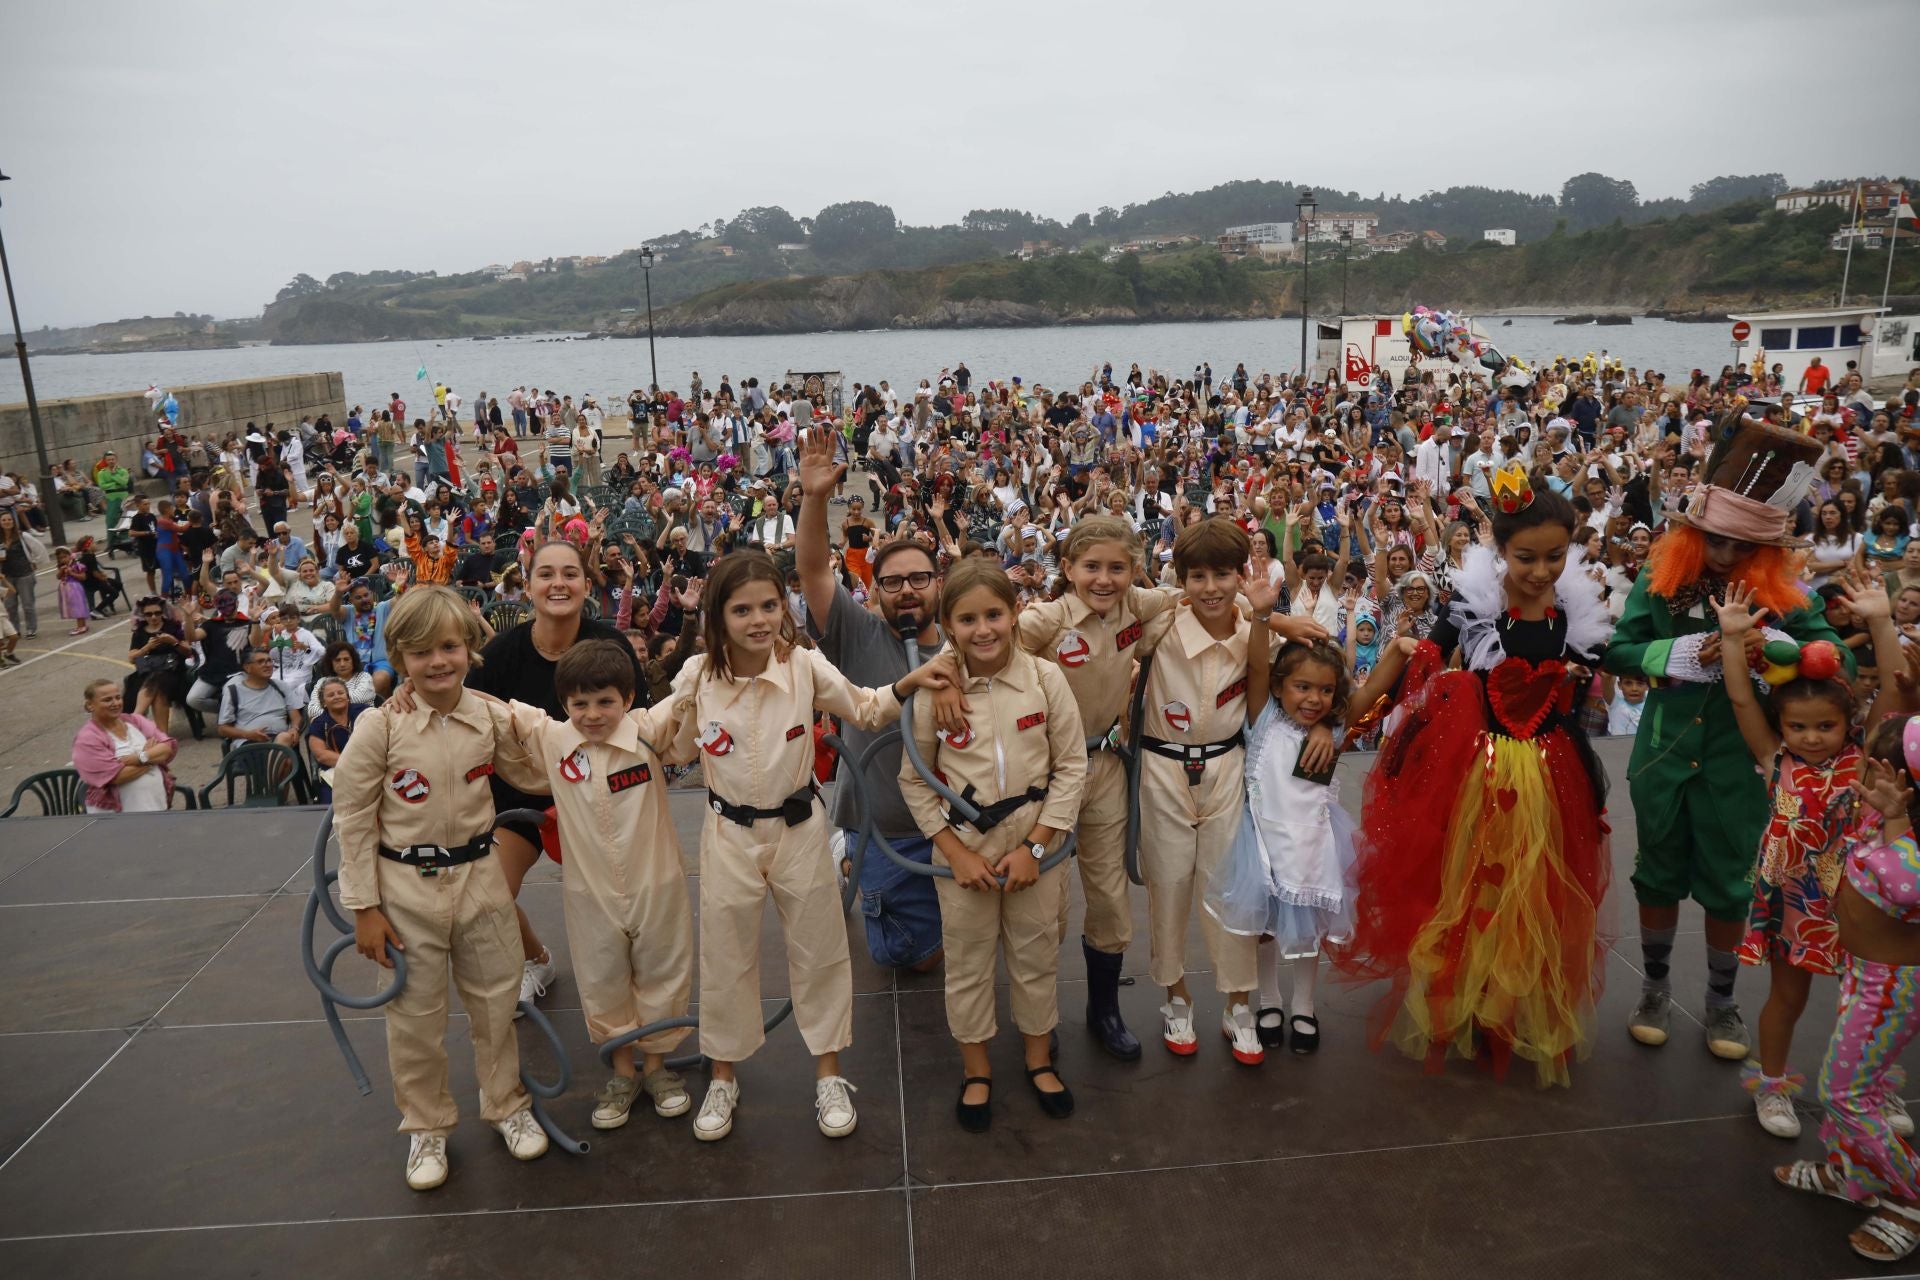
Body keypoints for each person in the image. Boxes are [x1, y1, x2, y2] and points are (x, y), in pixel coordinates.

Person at [1337, 466, 1613, 1086]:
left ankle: (1510, 1007)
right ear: (1500, 551)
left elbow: (1610, 659)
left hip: (1550, 769)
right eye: (1525, 558)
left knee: (1535, 890)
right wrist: (1359, 709)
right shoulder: (1473, 605)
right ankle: (1461, 1001)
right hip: (1481, 768)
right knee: (1471, 884)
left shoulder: (1574, 610)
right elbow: (1426, 655)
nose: (1540, 571)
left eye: (1553, 557)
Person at [664, 552, 950, 1143]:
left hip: (799, 829)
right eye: (742, 610)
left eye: (770, 605)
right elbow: (664, 743)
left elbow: (867, 709)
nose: (759, 620)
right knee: (726, 954)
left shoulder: (804, 666)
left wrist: (909, 681)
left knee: (819, 951)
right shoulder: (696, 677)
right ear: (719, 616)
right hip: (727, 835)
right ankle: (723, 1076)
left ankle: (828, 1073)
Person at [1607, 413, 1852, 1060]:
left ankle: (1721, 1002)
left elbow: (1838, 659)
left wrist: (1781, 650)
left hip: (1740, 764)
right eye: (1712, 537)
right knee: (1655, 875)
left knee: (1728, 882)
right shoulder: (1659, 582)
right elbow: (1620, 652)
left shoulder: (1790, 595)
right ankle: (1654, 989)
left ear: (1764, 548)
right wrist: (1683, 653)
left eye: (1737, 544)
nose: (1721, 553)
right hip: (1662, 754)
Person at [333, 587, 552, 1190]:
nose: (438, 662)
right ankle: (426, 1127)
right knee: (413, 1017)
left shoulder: (486, 715)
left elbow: (535, 767)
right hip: (405, 891)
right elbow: (352, 817)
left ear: (469, 649)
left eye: (450, 647)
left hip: (481, 880)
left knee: (497, 1004)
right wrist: (364, 908)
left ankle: (506, 1102)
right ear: (398, 657)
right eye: (421, 652)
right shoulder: (380, 725)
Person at [1719, 573, 1911, 1137]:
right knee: (1787, 996)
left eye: (1825, 726)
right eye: (1798, 726)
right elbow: (1737, 696)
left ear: (1848, 723)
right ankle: (1773, 1087)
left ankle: (1872, 1083)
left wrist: (1880, 621)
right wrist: (1733, 639)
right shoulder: (1773, 755)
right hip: (1794, 901)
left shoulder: (1864, 757)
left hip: (1860, 903)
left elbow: (1896, 693)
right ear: (1781, 726)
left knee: (1870, 1001)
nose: (1811, 736)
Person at [902, 559, 1086, 1132]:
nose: (983, 630)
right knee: (968, 959)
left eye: (994, 614)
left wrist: (1036, 846)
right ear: (949, 625)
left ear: (1014, 614)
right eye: (967, 619)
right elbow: (915, 777)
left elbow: (1071, 766)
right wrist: (954, 854)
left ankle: (1037, 1059)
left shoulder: (1045, 678)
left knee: (1035, 953)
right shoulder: (938, 689)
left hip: (1035, 840)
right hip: (965, 844)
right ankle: (976, 1068)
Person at [488, 640, 697, 1130]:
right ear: (564, 705)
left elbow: (692, 685)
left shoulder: (648, 732)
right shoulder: (554, 739)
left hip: (656, 885)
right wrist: (417, 689)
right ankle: (623, 1072)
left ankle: (659, 1069)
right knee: (602, 978)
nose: (592, 714)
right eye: (579, 704)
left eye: (605, 701)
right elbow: (500, 712)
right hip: (590, 895)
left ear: (628, 698)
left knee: (661, 973)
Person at [1211, 635, 1415, 1054]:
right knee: (1264, 930)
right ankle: (1269, 1000)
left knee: (1308, 931)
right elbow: (1256, 665)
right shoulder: (1263, 717)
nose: (1314, 699)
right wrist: (1266, 615)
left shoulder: (1336, 728)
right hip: (1264, 846)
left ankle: (1304, 1005)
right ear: (1278, 686)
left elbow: (1374, 687)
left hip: (1314, 846)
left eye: (1325, 690)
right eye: (1302, 687)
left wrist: (1398, 649)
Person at [466, 539, 647, 1011]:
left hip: (596, 797)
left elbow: (641, 725)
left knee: (619, 911)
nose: (558, 583)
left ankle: (631, 985)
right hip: (519, 798)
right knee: (488, 897)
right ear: (527, 587)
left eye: (570, 573)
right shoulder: (501, 653)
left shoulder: (612, 646)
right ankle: (536, 958)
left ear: (588, 585)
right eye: (546, 574)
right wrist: (410, 695)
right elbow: (458, 706)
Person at [795, 427, 950, 976]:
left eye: (918, 579)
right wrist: (815, 498)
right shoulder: (857, 635)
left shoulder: (971, 643)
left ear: (939, 583)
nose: (907, 590)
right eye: (892, 582)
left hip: (957, 830)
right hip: (884, 828)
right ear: (874, 590)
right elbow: (813, 570)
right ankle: (847, 854)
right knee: (912, 959)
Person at [1136, 517, 1275, 1064]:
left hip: (1225, 769)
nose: (1210, 588)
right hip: (1161, 768)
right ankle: (1175, 996)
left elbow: (1263, 692)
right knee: (1167, 887)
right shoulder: (1162, 624)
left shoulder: (1249, 630)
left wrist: (1268, 617)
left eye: (1222, 574)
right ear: (1181, 579)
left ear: (1241, 574)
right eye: (1197, 576)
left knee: (1229, 890)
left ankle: (1239, 1004)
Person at [72, 678, 178, 814]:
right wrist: (152, 758)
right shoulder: (87, 739)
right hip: (118, 820)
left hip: (156, 807)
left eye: (117, 697)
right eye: (107, 700)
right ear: (90, 705)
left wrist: (139, 758)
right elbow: (117, 777)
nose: (115, 703)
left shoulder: (135, 721)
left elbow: (167, 748)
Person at [217, 645, 304, 750]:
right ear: (247, 667)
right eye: (260, 662)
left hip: (280, 738)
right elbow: (223, 728)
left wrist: (294, 728)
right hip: (249, 743)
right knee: (285, 754)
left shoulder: (281, 686)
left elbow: (296, 717)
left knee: (284, 739)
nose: (267, 665)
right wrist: (248, 734)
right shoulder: (233, 691)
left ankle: (274, 760)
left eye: (269, 661)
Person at [128, 596, 191, 736]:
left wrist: (173, 641)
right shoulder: (140, 631)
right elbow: (131, 658)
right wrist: (146, 648)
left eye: (157, 613)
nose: (154, 617)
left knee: (159, 680)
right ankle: (162, 735)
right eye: (149, 614)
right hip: (147, 673)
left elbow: (188, 652)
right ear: (143, 615)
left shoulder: (172, 626)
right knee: (156, 688)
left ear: (162, 612)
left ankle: (137, 715)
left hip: (173, 673)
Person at [304, 675, 367, 804]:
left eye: (340, 693)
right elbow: (321, 755)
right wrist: (352, 763)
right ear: (323, 702)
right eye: (331, 695)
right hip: (335, 773)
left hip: (368, 768)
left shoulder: (365, 712)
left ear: (347, 696)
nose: (337, 696)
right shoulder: (319, 723)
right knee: (331, 804)